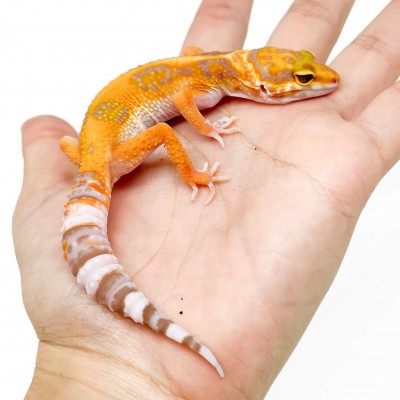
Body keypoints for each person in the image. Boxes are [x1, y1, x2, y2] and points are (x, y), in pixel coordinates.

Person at [13, 0, 400, 399]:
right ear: (263, 85)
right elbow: (181, 104)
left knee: (94, 138)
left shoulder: (210, 68)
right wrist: (200, 151)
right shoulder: (208, 82)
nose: (318, 80)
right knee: (165, 134)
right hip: (110, 158)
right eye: (303, 78)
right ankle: (188, 176)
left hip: (92, 151)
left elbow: (186, 70)